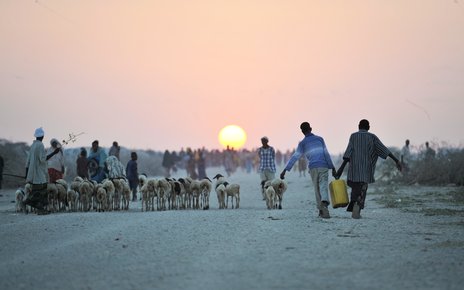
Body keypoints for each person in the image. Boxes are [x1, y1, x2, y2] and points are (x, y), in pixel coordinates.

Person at [335, 119, 402, 219]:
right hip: (366, 170)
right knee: (362, 189)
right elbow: (384, 150)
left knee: (355, 189)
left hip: (354, 170)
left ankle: (354, 206)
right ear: (369, 127)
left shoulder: (353, 136)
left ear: (358, 126)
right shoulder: (372, 137)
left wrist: (340, 169)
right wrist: (396, 160)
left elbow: (348, 154)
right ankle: (357, 209)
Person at [280, 122, 336, 219]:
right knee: (323, 185)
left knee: (316, 188)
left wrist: (285, 169)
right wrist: (333, 167)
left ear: (302, 131)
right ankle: (325, 201)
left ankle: (321, 210)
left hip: (313, 167)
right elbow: (326, 154)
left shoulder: (302, 143)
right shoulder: (320, 139)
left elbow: (295, 156)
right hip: (323, 165)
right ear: (311, 128)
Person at [24, 127, 60, 214]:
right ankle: (31, 202)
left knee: (37, 190)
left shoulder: (33, 146)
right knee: (42, 191)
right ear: (43, 136)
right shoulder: (40, 145)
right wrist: (54, 153)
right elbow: (43, 159)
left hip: (33, 173)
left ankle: (39, 208)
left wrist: (27, 174)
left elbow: (28, 161)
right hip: (39, 173)